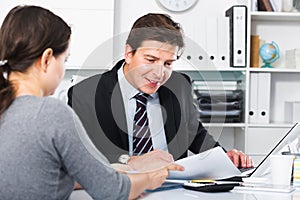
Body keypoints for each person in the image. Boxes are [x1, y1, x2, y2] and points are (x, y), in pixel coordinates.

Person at [0, 6, 184, 200]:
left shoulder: (8, 108)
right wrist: (151, 178)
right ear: (47, 59)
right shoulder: (52, 114)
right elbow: (113, 190)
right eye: (65, 60)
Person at [67, 13, 253, 171]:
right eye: (150, 60)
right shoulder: (86, 94)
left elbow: (193, 133)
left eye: (168, 63)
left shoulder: (179, 85)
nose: (159, 73)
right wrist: (130, 162)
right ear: (129, 53)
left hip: (174, 189)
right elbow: (80, 154)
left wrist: (223, 157)